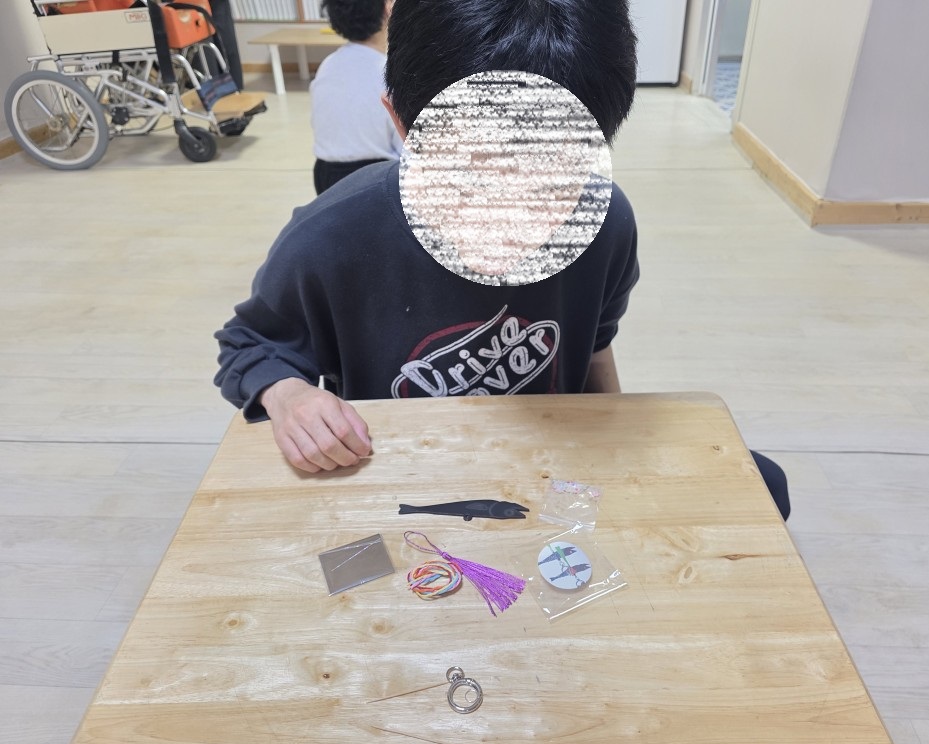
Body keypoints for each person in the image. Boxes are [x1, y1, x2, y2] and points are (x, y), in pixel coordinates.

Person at [216, 0, 639, 470]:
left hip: (547, 470)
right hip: (390, 474)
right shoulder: (332, 236)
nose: (507, 222)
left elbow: (596, 344)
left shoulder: (605, 224)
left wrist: (614, 456)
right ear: (400, 123)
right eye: (470, 181)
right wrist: (287, 395)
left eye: (550, 184)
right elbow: (250, 343)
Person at [310, 0, 402, 194]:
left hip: (325, 175)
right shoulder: (389, 72)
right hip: (373, 180)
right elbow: (405, 146)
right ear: (387, 8)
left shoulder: (327, 66)